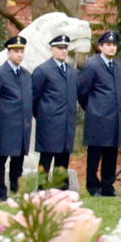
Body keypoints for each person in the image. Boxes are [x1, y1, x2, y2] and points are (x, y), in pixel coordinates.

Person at [77, 30, 121, 197]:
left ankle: (108, 186)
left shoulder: (118, 66)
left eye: (114, 45)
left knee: (111, 154)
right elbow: (82, 91)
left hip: (115, 118)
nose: (112, 48)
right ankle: (93, 186)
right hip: (98, 117)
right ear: (100, 47)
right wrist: (92, 108)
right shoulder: (92, 65)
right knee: (95, 154)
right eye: (108, 45)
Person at [0, 35, 33, 201]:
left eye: (22, 51)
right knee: (0, 160)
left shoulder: (26, 74)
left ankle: (16, 191)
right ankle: (0, 193)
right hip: (5, 125)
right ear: (8, 53)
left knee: (18, 162)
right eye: (16, 51)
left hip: (22, 125)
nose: (19, 54)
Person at [32, 33, 79, 189]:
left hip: (67, 121)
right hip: (49, 122)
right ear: (52, 49)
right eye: (60, 48)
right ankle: (42, 187)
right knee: (46, 157)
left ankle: (62, 188)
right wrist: (42, 115)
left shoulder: (71, 72)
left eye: (65, 48)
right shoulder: (43, 70)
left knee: (63, 157)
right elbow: (34, 97)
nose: (63, 51)